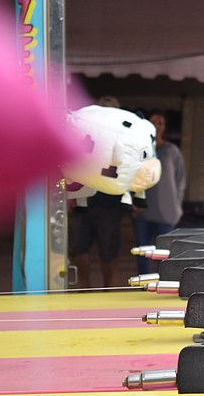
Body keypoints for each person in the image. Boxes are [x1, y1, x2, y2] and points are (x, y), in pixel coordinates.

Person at [68, 96, 127, 288]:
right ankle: (83, 288)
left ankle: (108, 289)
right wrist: (66, 194)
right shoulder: (82, 134)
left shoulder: (123, 139)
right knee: (77, 248)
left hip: (109, 203)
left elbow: (126, 169)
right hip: (81, 201)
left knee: (109, 250)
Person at [132, 110, 186, 274]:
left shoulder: (171, 151)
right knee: (143, 252)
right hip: (142, 211)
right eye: (153, 122)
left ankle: (164, 283)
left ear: (164, 127)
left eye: (160, 123)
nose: (156, 126)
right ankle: (143, 287)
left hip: (167, 212)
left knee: (164, 253)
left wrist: (177, 204)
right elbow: (129, 176)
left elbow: (180, 179)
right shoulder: (138, 149)